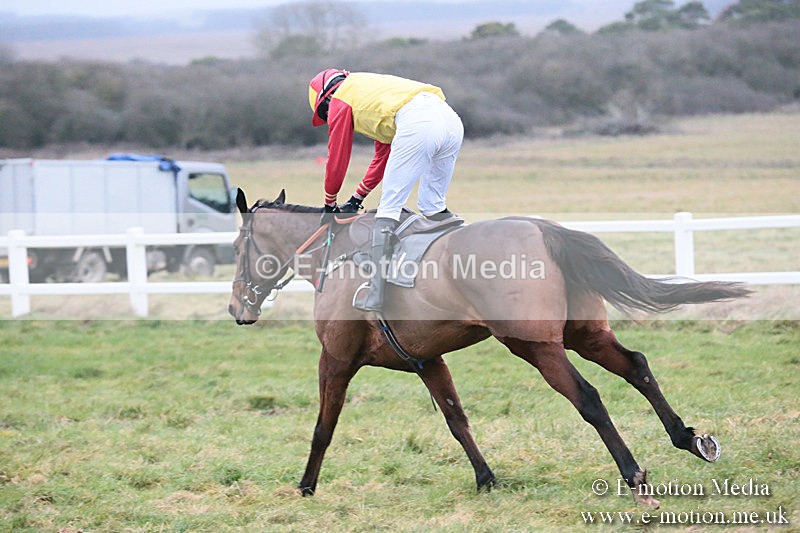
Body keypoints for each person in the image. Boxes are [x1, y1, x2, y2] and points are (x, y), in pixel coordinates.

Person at [308, 69, 464, 312]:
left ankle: (376, 294)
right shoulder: (369, 92)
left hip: (419, 122)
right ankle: (464, 253)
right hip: (451, 121)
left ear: (326, 98)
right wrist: (356, 198)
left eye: (324, 113)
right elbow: (383, 156)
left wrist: (330, 203)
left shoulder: (340, 99)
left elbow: (337, 157)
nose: (328, 118)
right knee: (432, 206)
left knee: (388, 209)